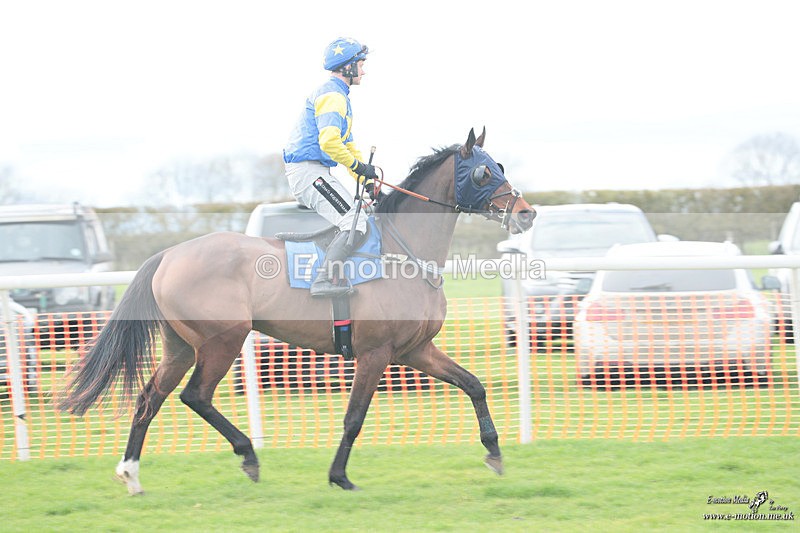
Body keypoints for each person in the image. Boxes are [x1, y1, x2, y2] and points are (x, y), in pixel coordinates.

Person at [283, 37, 378, 298]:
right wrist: (358, 166)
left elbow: (348, 145)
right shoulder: (332, 95)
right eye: (361, 65)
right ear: (348, 67)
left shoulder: (339, 97)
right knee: (354, 222)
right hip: (308, 172)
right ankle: (323, 280)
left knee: (355, 219)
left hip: (314, 170)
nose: (363, 71)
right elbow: (329, 142)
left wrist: (365, 178)